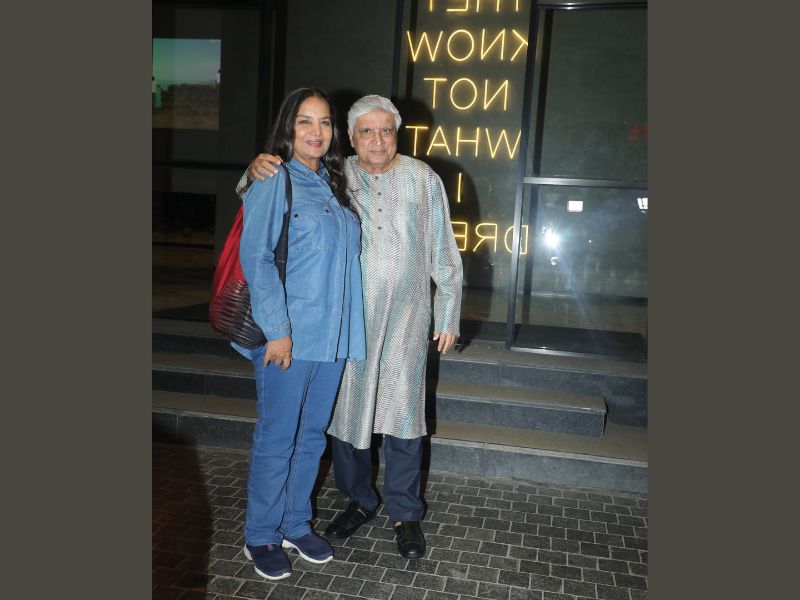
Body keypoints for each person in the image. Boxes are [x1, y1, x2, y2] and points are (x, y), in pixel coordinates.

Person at [237, 95, 463, 560]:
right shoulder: (339, 175)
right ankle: (359, 501)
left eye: (386, 130)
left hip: (405, 322)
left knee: (404, 415)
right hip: (346, 326)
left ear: (397, 134)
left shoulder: (423, 178)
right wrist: (252, 169)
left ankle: (405, 513)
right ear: (352, 138)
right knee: (345, 419)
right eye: (366, 131)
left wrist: (448, 313)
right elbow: (265, 199)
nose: (377, 140)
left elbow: (444, 249)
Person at [234, 87, 365, 580]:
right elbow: (257, 258)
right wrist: (278, 332)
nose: (316, 131)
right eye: (305, 121)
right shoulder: (274, 179)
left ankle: (294, 522)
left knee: (311, 438)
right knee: (278, 438)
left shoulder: (334, 184)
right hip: (287, 337)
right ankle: (261, 534)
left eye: (325, 122)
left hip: (331, 339)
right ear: (289, 127)